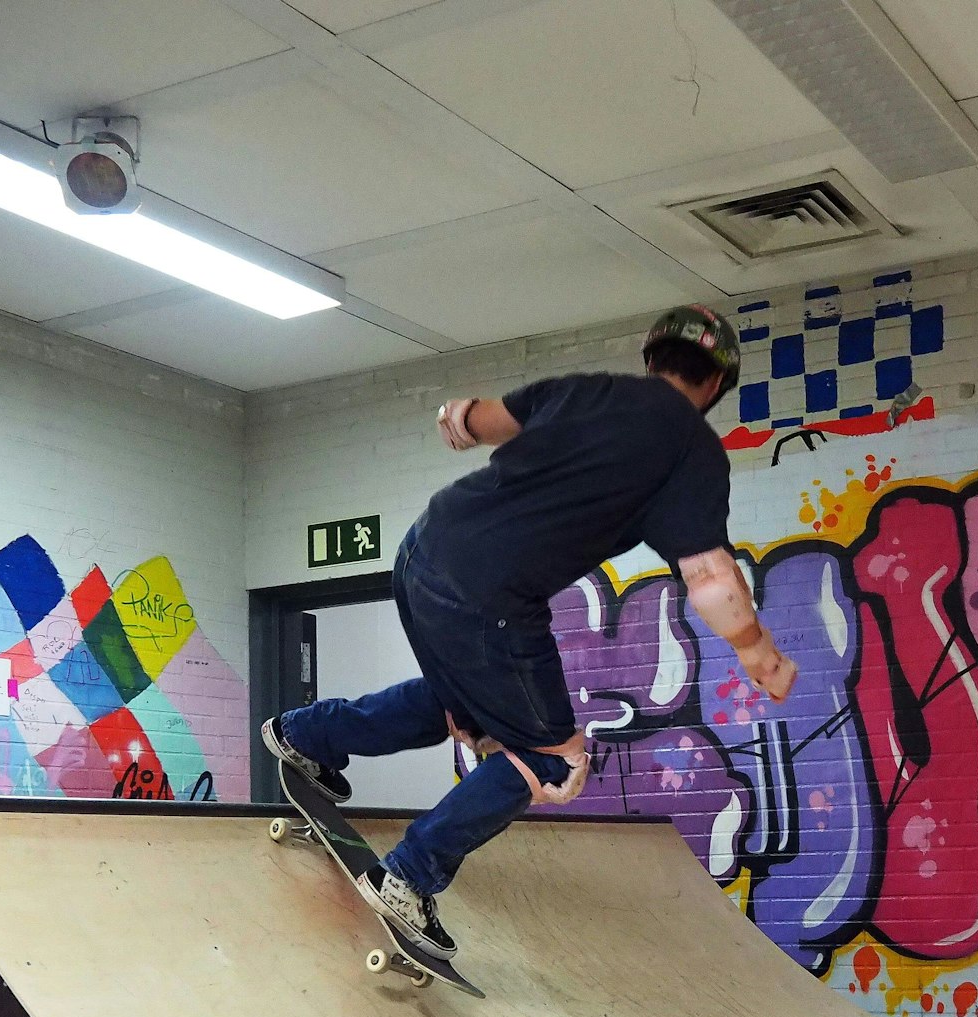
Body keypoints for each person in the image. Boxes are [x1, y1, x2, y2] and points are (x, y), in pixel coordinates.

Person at [263, 306, 798, 959]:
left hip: (422, 550)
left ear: (651, 358)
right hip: (491, 593)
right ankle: (408, 876)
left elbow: (472, 419)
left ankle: (304, 734)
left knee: (459, 704)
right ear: (716, 384)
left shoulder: (589, 390)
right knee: (553, 758)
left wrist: (456, 417)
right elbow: (710, 576)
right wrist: (758, 653)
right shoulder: (692, 447)